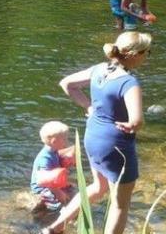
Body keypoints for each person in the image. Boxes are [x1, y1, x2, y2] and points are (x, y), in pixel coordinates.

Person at [41, 31, 152, 234]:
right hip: (116, 145)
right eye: (147, 52)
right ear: (134, 54)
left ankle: (54, 228)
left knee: (97, 187)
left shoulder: (99, 69)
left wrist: (88, 107)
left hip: (93, 136)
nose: (147, 56)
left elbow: (67, 84)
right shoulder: (129, 83)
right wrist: (132, 126)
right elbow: (137, 121)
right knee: (120, 206)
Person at [30, 121, 75, 212]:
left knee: (72, 189)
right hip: (42, 189)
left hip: (52, 184)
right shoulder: (44, 158)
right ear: (54, 141)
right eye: (65, 139)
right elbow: (46, 181)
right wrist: (60, 194)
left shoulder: (54, 151)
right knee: (59, 206)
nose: (67, 142)